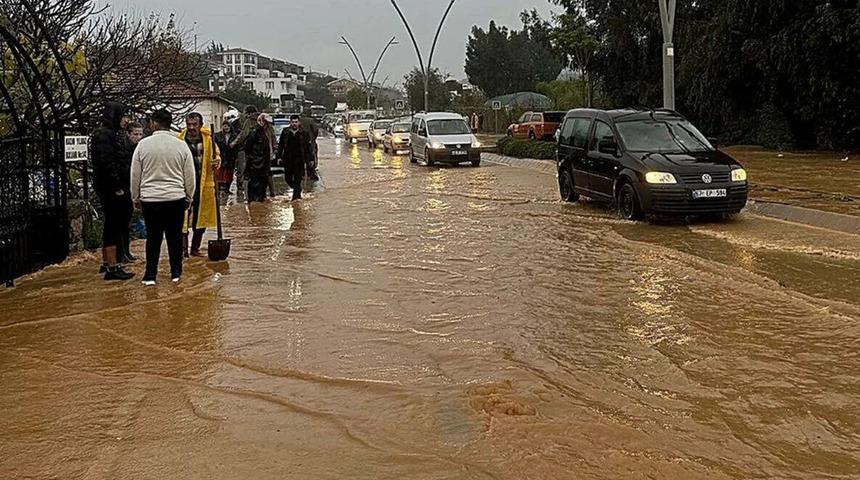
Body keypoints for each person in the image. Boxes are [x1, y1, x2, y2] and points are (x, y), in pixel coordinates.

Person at [130, 109, 196, 286]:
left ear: (154, 123)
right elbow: (190, 175)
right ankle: (176, 273)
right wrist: (189, 197)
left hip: (150, 199)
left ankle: (150, 275)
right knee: (174, 237)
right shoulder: (181, 145)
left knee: (153, 237)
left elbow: (135, 175)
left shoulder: (143, 145)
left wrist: (136, 197)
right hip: (175, 198)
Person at [91, 102, 134, 281]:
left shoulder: (112, 134)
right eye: (124, 116)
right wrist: (117, 187)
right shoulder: (104, 135)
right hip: (111, 189)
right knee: (114, 226)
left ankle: (110, 263)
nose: (126, 120)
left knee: (115, 225)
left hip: (114, 186)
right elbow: (107, 162)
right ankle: (112, 266)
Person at [178, 112, 220, 257]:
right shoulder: (180, 140)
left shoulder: (208, 139)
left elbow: (217, 155)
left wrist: (217, 162)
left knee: (201, 219)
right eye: (189, 124)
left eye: (194, 124)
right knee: (182, 218)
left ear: (201, 125)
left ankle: (195, 248)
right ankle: (183, 250)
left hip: (204, 185)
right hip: (184, 185)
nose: (191, 127)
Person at [119, 121, 145, 264]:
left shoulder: (140, 148)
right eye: (135, 134)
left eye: (141, 134)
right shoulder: (123, 148)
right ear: (128, 134)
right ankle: (120, 253)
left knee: (127, 222)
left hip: (133, 189)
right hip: (123, 189)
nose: (138, 137)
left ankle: (126, 251)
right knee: (121, 222)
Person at [277, 114, 313, 201]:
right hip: (288, 159)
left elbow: (308, 147)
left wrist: (311, 159)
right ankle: (297, 190)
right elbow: (281, 145)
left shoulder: (304, 133)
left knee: (297, 179)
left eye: (296, 122)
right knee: (287, 178)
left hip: (299, 159)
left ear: (299, 123)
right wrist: (279, 157)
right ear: (290, 123)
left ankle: (296, 198)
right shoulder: (285, 132)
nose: (294, 124)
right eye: (293, 122)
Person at [244, 113, 275, 203]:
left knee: (263, 184)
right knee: (255, 184)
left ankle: (260, 201)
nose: (267, 125)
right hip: (255, 163)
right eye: (266, 123)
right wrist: (253, 159)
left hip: (263, 163)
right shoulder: (254, 132)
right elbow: (247, 147)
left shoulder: (263, 132)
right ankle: (253, 201)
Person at [230, 105, 259, 192]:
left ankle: (242, 186)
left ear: (249, 113)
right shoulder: (262, 120)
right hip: (257, 149)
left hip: (245, 148)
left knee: (242, 167)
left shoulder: (248, 121)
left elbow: (243, 134)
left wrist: (234, 143)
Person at [213, 121, 237, 195]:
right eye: (224, 126)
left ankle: (227, 188)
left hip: (230, 157)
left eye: (227, 126)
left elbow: (237, 146)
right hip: (221, 156)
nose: (226, 128)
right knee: (220, 173)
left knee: (229, 173)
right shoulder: (217, 135)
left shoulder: (234, 136)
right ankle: (219, 189)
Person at [300, 112, 320, 180]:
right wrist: (313, 138)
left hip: (300, 142)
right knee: (311, 155)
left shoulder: (298, 120)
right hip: (310, 141)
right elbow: (316, 130)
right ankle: (311, 173)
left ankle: (301, 174)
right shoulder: (310, 121)